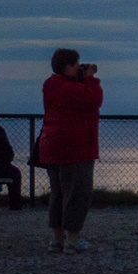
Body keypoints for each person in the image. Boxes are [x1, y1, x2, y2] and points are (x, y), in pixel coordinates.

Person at [38, 48, 102, 253]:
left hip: (52, 147)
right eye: (77, 65)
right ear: (68, 67)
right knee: (77, 193)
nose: (80, 68)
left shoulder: (51, 85)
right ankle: (73, 239)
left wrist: (80, 78)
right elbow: (94, 100)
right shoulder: (71, 89)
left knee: (58, 193)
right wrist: (90, 78)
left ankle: (57, 239)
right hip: (75, 148)